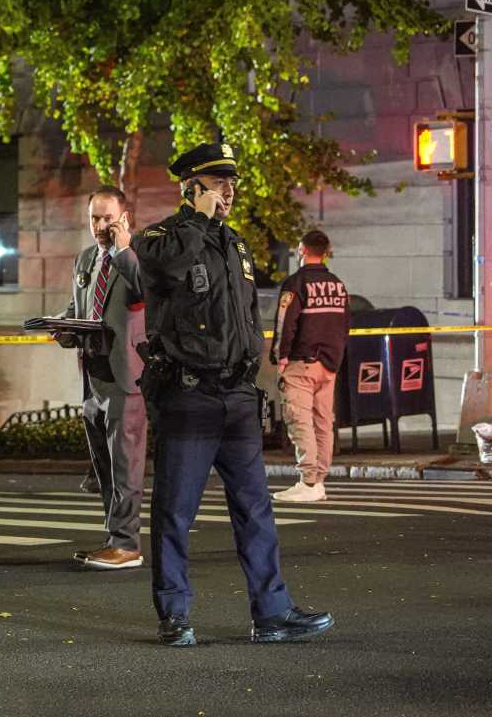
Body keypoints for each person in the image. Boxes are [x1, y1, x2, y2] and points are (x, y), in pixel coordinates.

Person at [132, 142, 333, 646]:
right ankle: (174, 615)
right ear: (192, 187)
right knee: (176, 512)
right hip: (189, 395)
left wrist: (256, 376)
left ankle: (272, 612)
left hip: (237, 397)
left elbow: (245, 315)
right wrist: (197, 221)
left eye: (232, 184)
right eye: (219, 183)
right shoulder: (159, 239)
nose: (229, 192)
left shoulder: (235, 244)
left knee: (256, 509)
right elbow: (164, 273)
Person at [58, 186, 147, 570]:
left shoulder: (136, 257)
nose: (100, 225)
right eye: (94, 217)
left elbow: (148, 292)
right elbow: (77, 308)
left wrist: (124, 249)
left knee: (125, 464)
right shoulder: (84, 260)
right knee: (105, 466)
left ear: (124, 218)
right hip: (92, 376)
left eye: (108, 217)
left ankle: (127, 544)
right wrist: (62, 327)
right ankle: (114, 538)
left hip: (126, 375)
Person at [269, 230, 350, 503]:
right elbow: (344, 327)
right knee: (323, 424)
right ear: (325, 251)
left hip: (301, 364)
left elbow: (285, 323)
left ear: (302, 251)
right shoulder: (338, 285)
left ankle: (308, 480)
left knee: (299, 421)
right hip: (329, 366)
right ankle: (319, 480)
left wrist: (279, 357)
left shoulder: (296, 284)